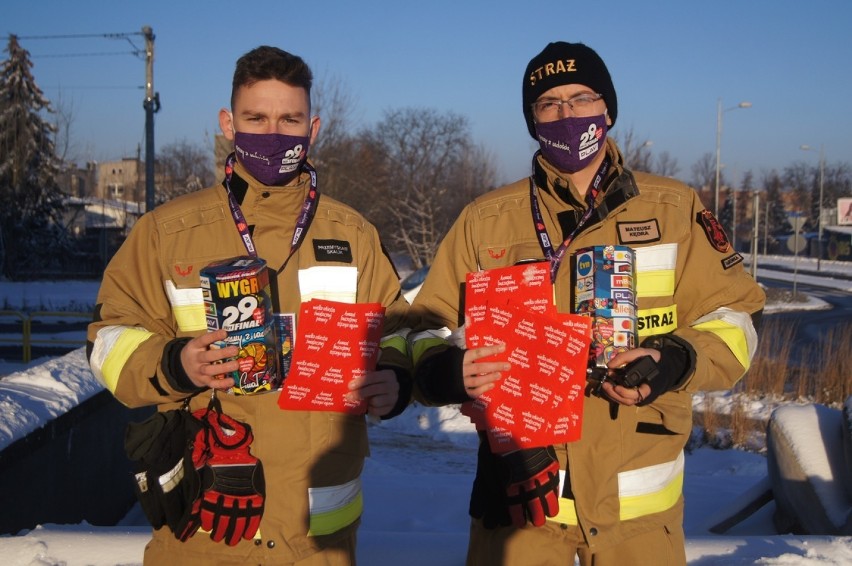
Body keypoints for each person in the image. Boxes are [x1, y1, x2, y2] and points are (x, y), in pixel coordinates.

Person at [407, 41, 765, 566]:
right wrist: (445, 371)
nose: (566, 114)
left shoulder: (673, 208)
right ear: (532, 119)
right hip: (518, 499)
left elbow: (739, 316)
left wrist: (676, 358)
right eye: (548, 103)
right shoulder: (486, 221)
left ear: (608, 108)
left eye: (581, 98)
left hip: (636, 518)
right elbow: (423, 325)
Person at [87, 46, 411, 565]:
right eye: (256, 117)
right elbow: (107, 339)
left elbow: (401, 329)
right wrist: (175, 362)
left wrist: (397, 379)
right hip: (203, 530)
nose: (274, 132)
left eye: (290, 119)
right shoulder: (167, 233)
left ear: (314, 128)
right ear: (227, 123)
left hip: (317, 540)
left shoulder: (353, 235)